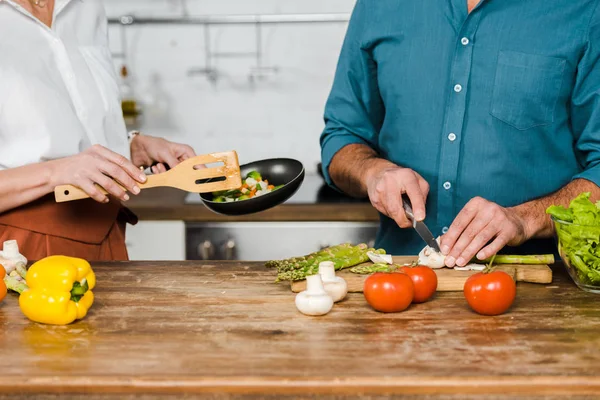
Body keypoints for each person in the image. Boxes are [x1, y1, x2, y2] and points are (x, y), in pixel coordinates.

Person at [320, 0, 600, 267]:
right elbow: (342, 136)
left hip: (537, 287)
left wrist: (525, 219)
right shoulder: (378, 6)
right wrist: (373, 172)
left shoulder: (584, 10)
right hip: (401, 282)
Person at [0, 0, 196, 260]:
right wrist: (55, 171)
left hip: (108, 232)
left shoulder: (87, 7)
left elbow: (71, 130)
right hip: (22, 247)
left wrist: (129, 149)